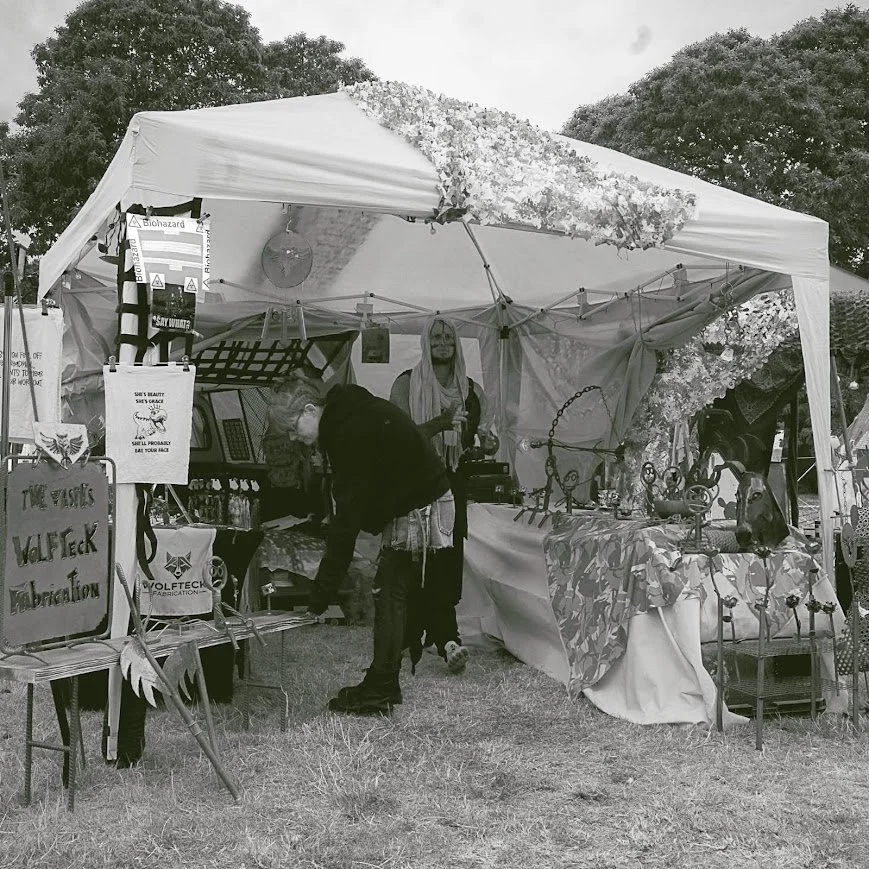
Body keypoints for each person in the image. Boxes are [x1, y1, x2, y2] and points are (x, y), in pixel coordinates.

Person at [266, 371, 455, 715]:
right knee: (390, 593)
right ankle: (382, 683)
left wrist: (319, 597)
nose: (294, 437)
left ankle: (380, 689)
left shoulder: (346, 432)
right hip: (422, 496)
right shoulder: (346, 416)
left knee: (389, 594)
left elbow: (345, 526)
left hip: (424, 503)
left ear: (310, 410)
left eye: (293, 427)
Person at [390, 316, 493, 674]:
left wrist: (485, 445)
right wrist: (441, 422)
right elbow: (400, 438)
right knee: (415, 560)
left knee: (445, 562)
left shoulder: (472, 391)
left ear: (456, 343)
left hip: (451, 486)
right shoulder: (405, 384)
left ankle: (442, 638)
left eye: (449, 335)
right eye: (436, 335)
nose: (443, 341)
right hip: (415, 485)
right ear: (425, 342)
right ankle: (426, 637)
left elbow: (471, 444)